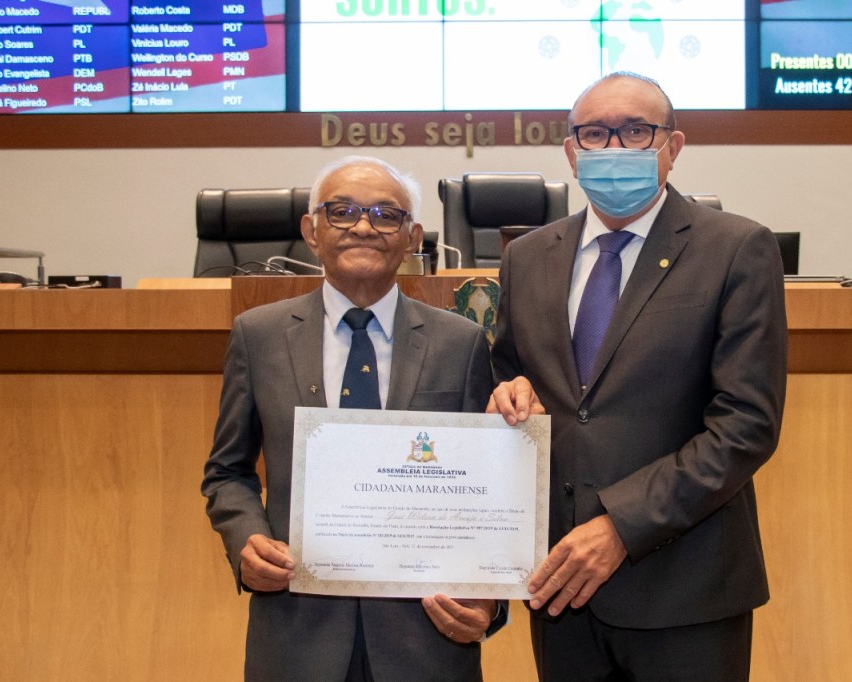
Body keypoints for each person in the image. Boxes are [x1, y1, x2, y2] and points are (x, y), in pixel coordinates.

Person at [488, 72, 788, 680]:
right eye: (596, 134)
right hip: (561, 588)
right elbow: (511, 372)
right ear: (572, 152)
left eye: (636, 131)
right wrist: (506, 393)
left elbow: (745, 426)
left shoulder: (737, 249)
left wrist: (622, 526)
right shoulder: (527, 255)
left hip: (686, 588)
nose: (615, 149)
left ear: (672, 147)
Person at [202, 156, 505, 681]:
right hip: (297, 633)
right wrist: (245, 540)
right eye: (342, 211)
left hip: (426, 639)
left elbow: (488, 486)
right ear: (311, 230)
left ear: (412, 238)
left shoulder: (462, 343)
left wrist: (489, 602)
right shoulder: (260, 335)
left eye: (386, 215)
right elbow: (227, 472)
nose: (363, 225)